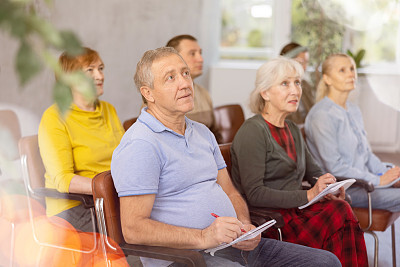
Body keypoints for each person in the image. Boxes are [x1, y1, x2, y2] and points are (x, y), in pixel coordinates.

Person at [111, 47, 341, 267]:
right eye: (170, 78)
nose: (184, 83)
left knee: (326, 262)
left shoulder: (201, 132)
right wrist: (203, 236)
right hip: (186, 258)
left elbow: (230, 192)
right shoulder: (141, 144)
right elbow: (134, 229)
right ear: (147, 93)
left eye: (185, 73)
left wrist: (244, 225)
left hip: (233, 245)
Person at [230, 57, 368, 267]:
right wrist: (309, 194)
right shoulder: (253, 131)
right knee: (340, 212)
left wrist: (328, 187)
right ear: (265, 92)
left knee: (339, 205)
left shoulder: (292, 129)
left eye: (297, 83)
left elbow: (314, 172)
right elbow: (255, 193)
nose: (295, 90)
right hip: (273, 222)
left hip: (297, 212)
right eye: (285, 83)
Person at [38, 47, 125, 232]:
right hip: (73, 206)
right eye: (90, 70)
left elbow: (125, 156)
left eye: (101, 69)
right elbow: (63, 180)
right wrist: (111, 187)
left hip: (111, 198)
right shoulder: (54, 117)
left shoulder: (108, 109)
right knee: (134, 229)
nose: (99, 76)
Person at [305, 53, 400, 212]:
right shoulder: (321, 116)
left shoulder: (354, 110)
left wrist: (389, 174)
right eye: (342, 70)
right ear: (327, 79)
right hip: (346, 190)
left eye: (351, 69)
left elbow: (367, 156)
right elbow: (335, 168)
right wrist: (378, 180)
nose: (351, 74)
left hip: (366, 184)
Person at [166, 34, 221, 141]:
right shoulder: (160, 95)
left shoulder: (204, 93)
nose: (200, 59)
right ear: (173, 58)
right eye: (192, 54)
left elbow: (213, 134)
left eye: (200, 53)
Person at [280, 42, 315, 124]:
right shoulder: (277, 88)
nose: (305, 67)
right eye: (301, 63)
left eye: (306, 62)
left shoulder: (306, 85)